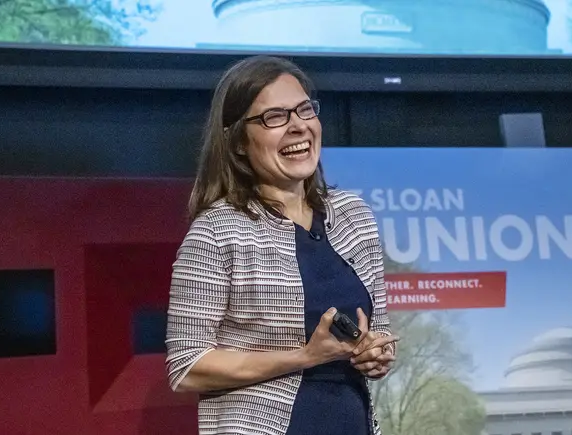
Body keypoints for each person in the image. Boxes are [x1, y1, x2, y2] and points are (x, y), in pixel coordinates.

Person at [165, 55, 400, 435]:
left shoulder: (354, 215)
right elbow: (187, 366)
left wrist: (376, 354)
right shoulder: (217, 231)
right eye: (274, 117)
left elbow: (380, 335)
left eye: (304, 110)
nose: (298, 127)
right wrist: (304, 357)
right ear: (239, 141)